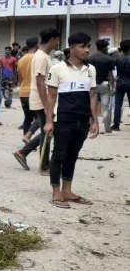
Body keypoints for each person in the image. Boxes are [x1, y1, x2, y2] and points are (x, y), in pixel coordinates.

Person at [44, 32, 98, 209]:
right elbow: (51, 96)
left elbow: (92, 96)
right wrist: (49, 121)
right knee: (59, 155)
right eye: (83, 46)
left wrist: (95, 121)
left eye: (88, 46)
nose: (87, 50)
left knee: (72, 156)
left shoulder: (90, 69)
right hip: (63, 119)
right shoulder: (57, 69)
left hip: (82, 120)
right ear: (72, 48)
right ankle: (56, 192)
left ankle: (67, 190)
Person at [13, 28, 61, 175]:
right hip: (41, 100)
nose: (58, 43)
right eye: (58, 40)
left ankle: (23, 152)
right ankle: (44, 166)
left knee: (48, 131)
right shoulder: (41, 57)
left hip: (42, 99)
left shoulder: (43, 55)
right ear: (52, 40)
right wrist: (47, 104)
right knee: (48, 132)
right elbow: (40, 82)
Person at [87, 39, 115, 134]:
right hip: (104, 84)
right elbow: (111, 74)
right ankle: (107, 129)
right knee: (105, 107)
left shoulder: (89, 58)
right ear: (104, 47)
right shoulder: (109, 59)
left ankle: (92, 127)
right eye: (107, 47)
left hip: (92, 85)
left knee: (92, 106)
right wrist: (113, 86)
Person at [18, 37, 39, 143]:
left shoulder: (21, 60)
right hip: (34, 92)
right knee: (39, 118)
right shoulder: (38, 58)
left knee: (27, 118)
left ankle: (26, 138)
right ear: (36, 45)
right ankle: (30, 137)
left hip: (23, 92)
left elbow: (20, 79)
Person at [112, 40, 130, 131]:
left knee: (117, 104)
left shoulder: (117, 59)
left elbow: (113, 70)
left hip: (120, 82)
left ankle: (116, 125)